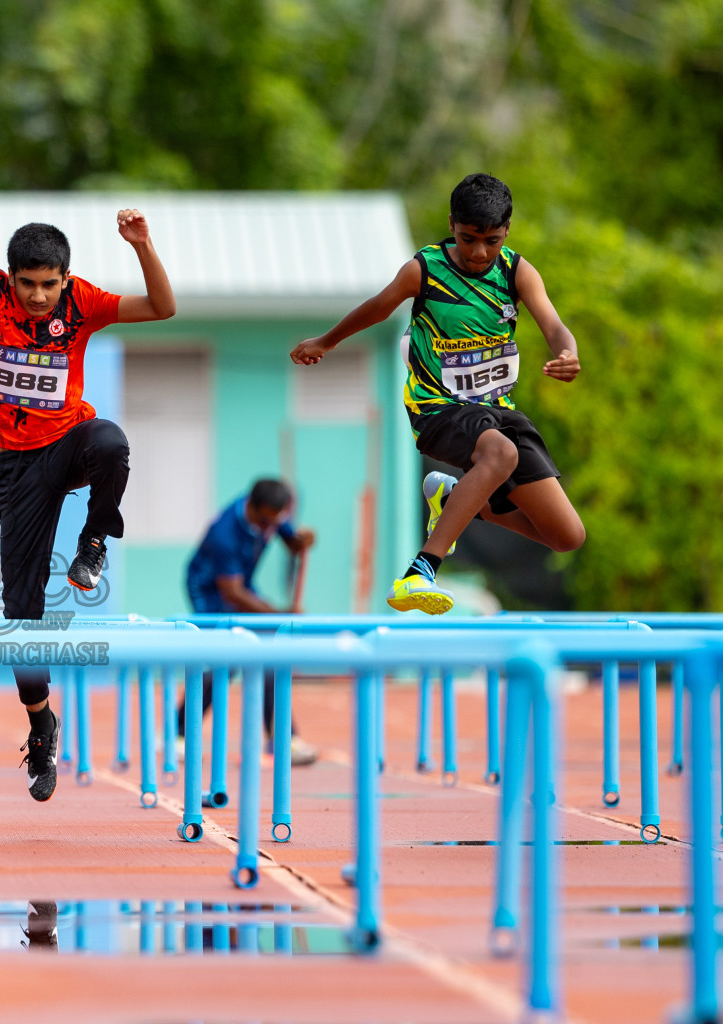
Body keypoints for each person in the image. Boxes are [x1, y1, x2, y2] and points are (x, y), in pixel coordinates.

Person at [0, 164, 177, 801]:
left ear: (65, 279)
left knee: (112, 442)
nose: (39, 298)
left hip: (69, 444)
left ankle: (94, 541)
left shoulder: (81, 302)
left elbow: (162, 307)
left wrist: (144, 247)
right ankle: (42, 722)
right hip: (18, 464)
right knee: (21, 617)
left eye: (49, 285)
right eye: (29, 286)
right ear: (12, 279)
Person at [290, 173, 585, 614]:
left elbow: (553, 323)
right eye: (468, 239)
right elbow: (378, 307)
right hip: (438, 409)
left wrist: (567, 350)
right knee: (500, 454)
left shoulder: (516, 271)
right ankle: (420, 571)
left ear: (507, 231)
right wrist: (326, 341)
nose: (479, 252)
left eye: (492, 240)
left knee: (566, 536)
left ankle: (458, 500)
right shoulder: (424, 270)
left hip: (498, 412)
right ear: (452, 224)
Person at [180, 478, 320, 769]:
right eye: (266, 520)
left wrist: (300, 541)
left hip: (242, 584)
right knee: (225, 661)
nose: (271, 525)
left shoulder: (273, 514)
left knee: (269, 649)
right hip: (211, 589)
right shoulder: (224, 534)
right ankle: (177, 734)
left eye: (276, 520)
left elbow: (290, 540)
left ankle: (284, 739)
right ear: (251, 507)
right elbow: (231, 592)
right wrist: (279, 615)